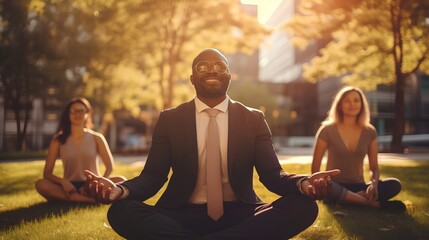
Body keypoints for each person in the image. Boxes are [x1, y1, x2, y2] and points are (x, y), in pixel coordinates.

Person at [84, 48, 340, 239]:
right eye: (202, 67)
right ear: (192, 78)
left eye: (219, 65)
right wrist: (120, 191)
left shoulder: (253, 118)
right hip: (180, 213)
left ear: (229, 76)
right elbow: (153, 176)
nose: (212, 70)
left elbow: (273, 175)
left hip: (241, 213)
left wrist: (303, 183)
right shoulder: (170, 119)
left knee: (303, 207)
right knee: (121, 212)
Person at [311, 86, 404, 211]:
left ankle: (350, 200)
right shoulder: (326, 130)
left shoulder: (370, 131)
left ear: (362, 104)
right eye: (347, 101)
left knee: (394, 184)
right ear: (339, 105)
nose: (352, 104)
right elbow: (315, 169)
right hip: (334, 186)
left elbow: (374, 167)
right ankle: (372, 204)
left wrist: (374, 185)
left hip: (360, 186)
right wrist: (321, 185)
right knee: (329, 188)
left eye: (356, 100)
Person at [35, 97, 126, 203]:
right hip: (69, 186)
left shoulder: (97, 137)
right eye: (73, 111)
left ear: (87, 114)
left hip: (92, 185)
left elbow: (110, 166)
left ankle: (77, 199)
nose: (77, 114)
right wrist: (63, 182)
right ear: (68, 114)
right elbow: (47, 173)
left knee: (122, 180)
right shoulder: (58, 140)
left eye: (80, 111)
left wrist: (99, 182)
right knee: (41, 184)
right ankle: (87, 199)